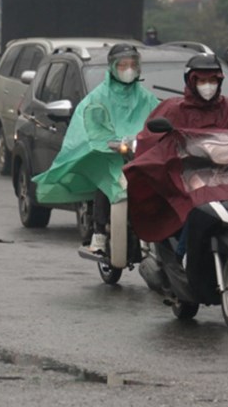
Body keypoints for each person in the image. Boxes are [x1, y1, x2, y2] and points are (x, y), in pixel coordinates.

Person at [128, 53, 228, 252]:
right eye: (202, 80)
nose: (208, 85)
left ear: (220, 81)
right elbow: (152, 143)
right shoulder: (172, 109)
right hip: (187, 179)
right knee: (192, 208)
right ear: (191, 81)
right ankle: (183, 257)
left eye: (212, 80)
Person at [32, 43, 160, 254]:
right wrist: (103, 142)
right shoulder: (98, 97)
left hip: (139, 156)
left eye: (132, 65)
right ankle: (99, 232)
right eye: (123, 65)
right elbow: (89, 124)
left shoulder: (146, 98)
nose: (128, 70)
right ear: (112, 67)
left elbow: (159, 118)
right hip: (109, 154)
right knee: (105, 179)